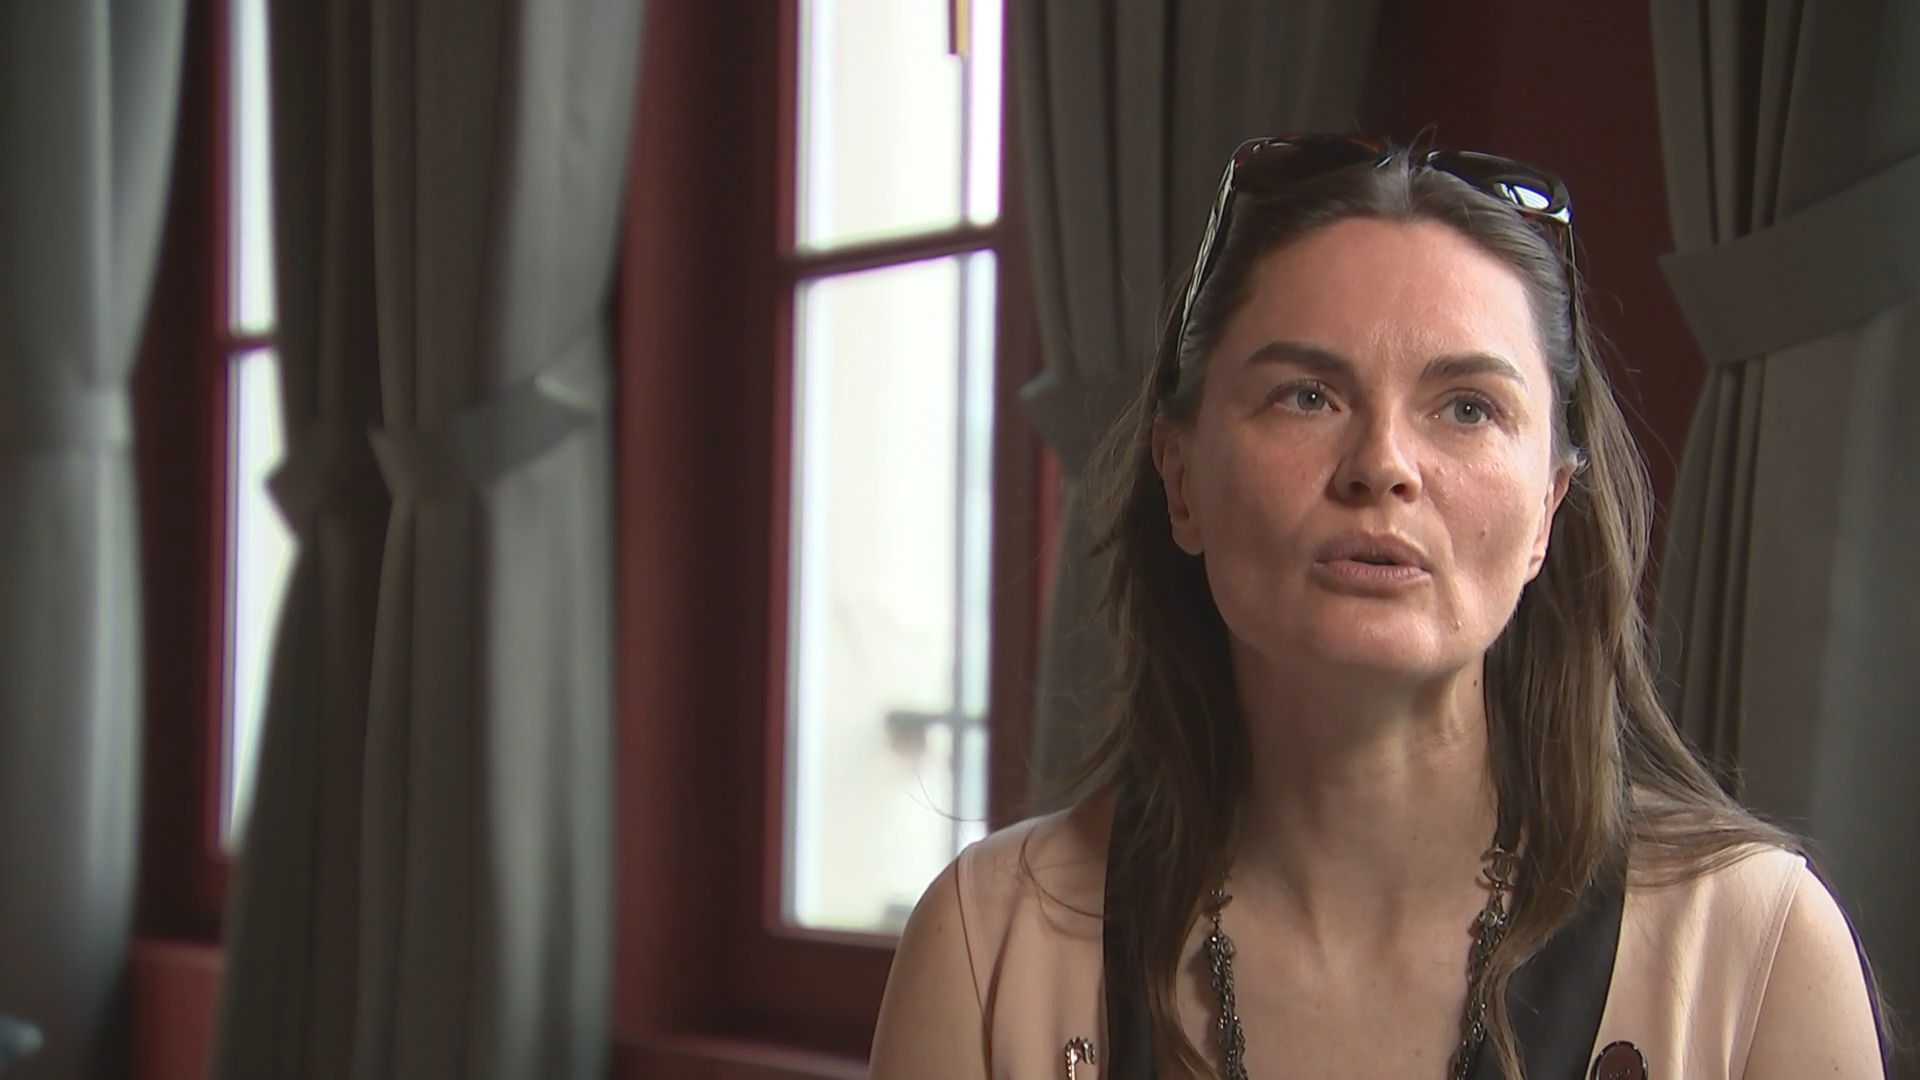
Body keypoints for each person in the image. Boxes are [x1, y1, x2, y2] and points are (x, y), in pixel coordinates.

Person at [866, 135, 1890, 1079]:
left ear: (1547, 509)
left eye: (1468, 408)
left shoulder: (1760, 947)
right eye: (1306, 395)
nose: (1383, 465)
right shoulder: (989, 943)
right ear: (1180, 480)